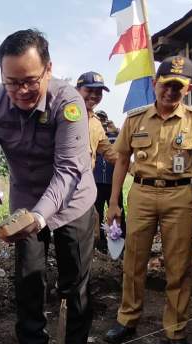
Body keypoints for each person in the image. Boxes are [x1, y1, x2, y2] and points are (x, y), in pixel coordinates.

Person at [0, 29, 96, 344]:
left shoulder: (69, 103)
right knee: (28, 280)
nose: (21, 91)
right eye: (12, 82)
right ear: (1, 75)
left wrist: (40, 217)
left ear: (48, 70)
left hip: (72, 202)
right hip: (25, 199)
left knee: (74, 284)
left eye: (29, 81)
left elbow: (68, 169)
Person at [103, 56, 192, 344]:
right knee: (134, 262)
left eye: (177, 87)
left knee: (179, 266)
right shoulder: (135, 119)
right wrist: (114, 202)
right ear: (155, 84)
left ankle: (176, 330)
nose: (170, 91)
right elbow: (121, 161)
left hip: (179, 197)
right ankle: (127, 319)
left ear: (188, 88)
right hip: (141, 194)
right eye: (165, 84)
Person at [76, 72, 120, 251]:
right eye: (90, 90)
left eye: (99, 92)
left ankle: (85, 268)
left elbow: (109, 152)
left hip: (84, 187)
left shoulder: (95, 123)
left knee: (90, 228)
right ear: (77, 89)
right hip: (60, 186)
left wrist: (136, 168)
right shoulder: (61, 112)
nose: (94, 95)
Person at [91, 110, 125, 251]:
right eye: (99, 119)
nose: (102, 122)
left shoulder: (114, 137)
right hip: (96, 181)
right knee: (97, 212)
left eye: (104, 119)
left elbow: (124, 147)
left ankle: (118, 241)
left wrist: (116, 130)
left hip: (113, 182)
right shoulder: (93, 134)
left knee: (117, 212)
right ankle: (100, 243)